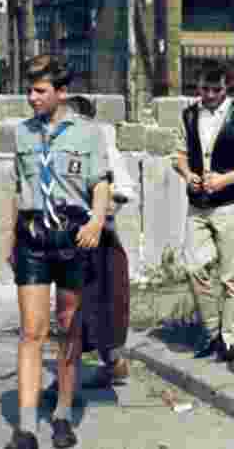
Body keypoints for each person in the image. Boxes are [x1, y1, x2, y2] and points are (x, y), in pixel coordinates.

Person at [4, 55, 111, 449]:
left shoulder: (87, 133)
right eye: (29, 90)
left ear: (61, 93)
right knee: (31, 332)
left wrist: (96, 223)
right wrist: (10, 241)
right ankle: (27, 425)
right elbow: (18, 189)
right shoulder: (22, 134)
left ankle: (63, 413)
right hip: (33, 236)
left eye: (39, 91)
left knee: (67, 327)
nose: (31, 97)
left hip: (72, 236)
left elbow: (100, 182)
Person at [173, 60, 234, 361]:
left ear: (225, 87)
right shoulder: (189, 115)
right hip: (198, 205)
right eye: (204, 89)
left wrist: (224, 179)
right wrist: (187, 173)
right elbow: (178, 152)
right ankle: (211, 331)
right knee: (194, 266)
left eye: (216, 89)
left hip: (233, 205)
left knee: (231, 276)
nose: (210, 95)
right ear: (198, 87)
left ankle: (229, 339)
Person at [65, 95, 137, 387]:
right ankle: (72, 375)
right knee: (74, 304)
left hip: (99, 237)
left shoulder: (100, 143)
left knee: (100, 302)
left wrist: (108, 205)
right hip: (69, 235)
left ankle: (110, 362)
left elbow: (123, 187)